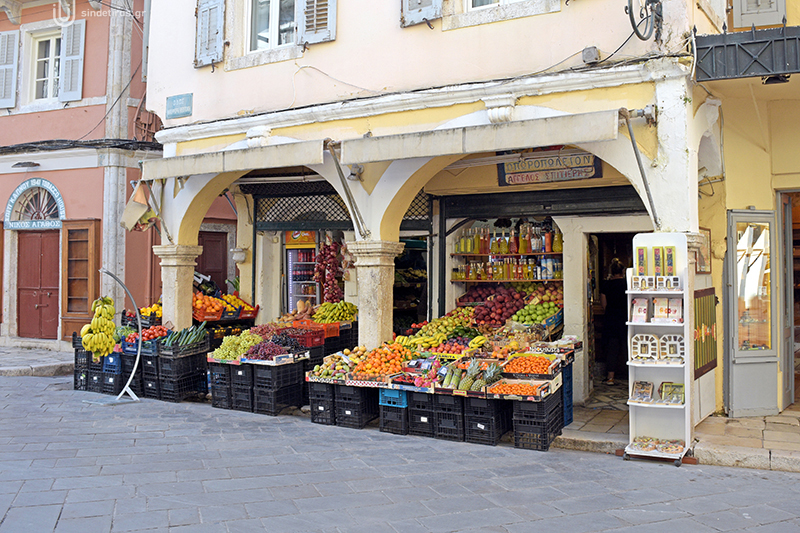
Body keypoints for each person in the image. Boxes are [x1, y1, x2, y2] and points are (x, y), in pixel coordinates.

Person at [600, 258, 628, 385]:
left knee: (612, 349)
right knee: (627, 347)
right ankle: (631, 376)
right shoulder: (627, 284)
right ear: (623, 271)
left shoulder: (606, 285)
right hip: (625, 318)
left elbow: (603, 304)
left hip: (611, 319)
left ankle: (610, 377)